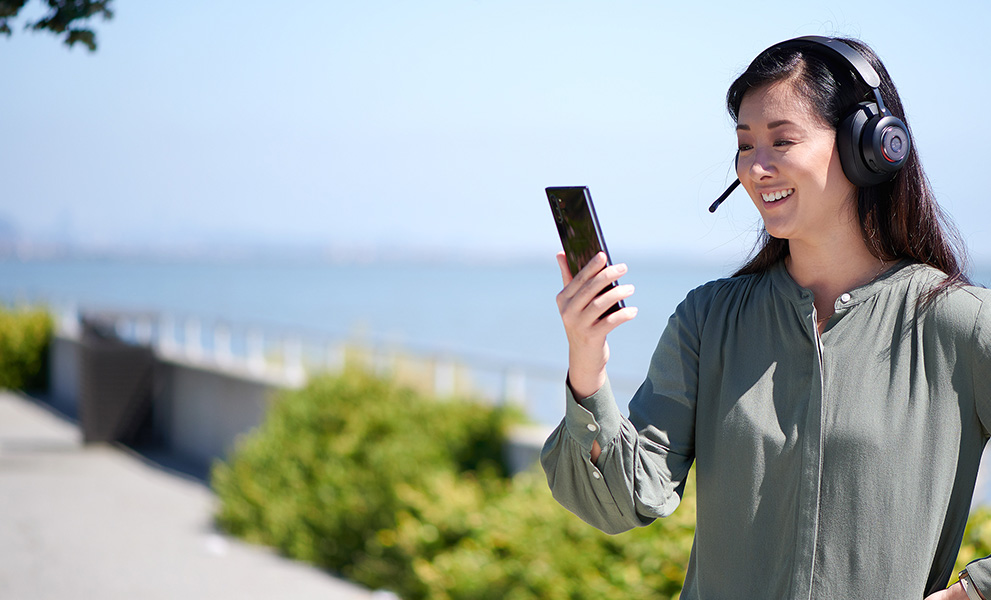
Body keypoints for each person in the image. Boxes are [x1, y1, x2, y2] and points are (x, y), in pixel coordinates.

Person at [541, 35, 991, 600]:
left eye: (782, 141)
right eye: (745, 144)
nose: (756, 168)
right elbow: (622, 501)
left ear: (869, 146)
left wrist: (972, 593)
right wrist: (587, 365)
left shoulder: (959, 324)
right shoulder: (709, 320)